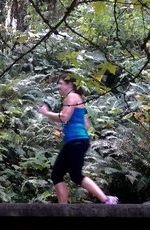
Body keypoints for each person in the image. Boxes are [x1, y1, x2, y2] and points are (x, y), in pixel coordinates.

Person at [39, 75, 118, 204]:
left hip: (75, 141)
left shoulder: (71, 97)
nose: (58, 87)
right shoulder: (79, 99)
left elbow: (64, 117)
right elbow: (86, 125)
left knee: (71, 175)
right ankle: (63, 208)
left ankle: (106, 199)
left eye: (61, 83)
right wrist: (67, 131)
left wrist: (46, 113)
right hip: (79, 140)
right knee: (60, 175)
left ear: (70, 85)